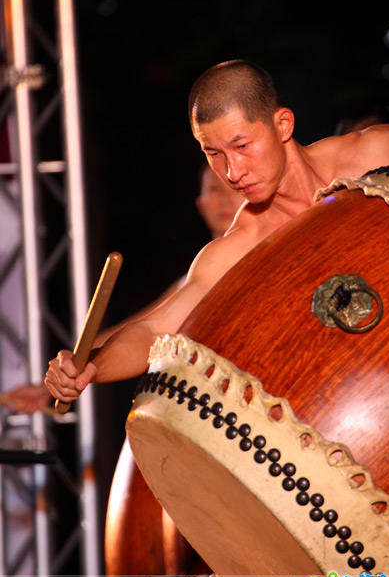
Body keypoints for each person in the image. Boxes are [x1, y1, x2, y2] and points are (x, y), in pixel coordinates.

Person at [44, 59, 389, 404]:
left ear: (283, 125)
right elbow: (155, 330)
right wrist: (93, 367)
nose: (231, 171)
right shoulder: (243, 244)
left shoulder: (374, 155)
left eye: (242, 146)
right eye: (213, 153)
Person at [4, 164, 242, 413]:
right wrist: (65, 375)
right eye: (214, 189)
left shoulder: (262, 261)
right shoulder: (195, 278)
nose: (225, 199)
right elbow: (145, 329)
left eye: (231, 187)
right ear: (200, 204)